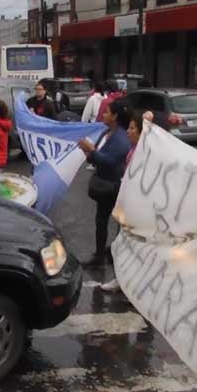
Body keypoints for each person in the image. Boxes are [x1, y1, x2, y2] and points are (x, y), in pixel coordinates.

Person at [100, 109, 154, 292]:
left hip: (138, 209)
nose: (128, 131)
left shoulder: (145, 151)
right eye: (129, 127)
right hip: (127, 205)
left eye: (132, 128)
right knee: (122, 244)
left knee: (136, 247)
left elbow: (149, 118)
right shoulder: (132, 149)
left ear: (141, 132)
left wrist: (147, 118)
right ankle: (121, 279)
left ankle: (136, 286)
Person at [77, 99, 132, 269]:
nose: (104, 114)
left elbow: (111, 161)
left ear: (115, 116)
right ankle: (99, 255)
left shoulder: (121, 138)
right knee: (101, 221)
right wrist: (88, 151)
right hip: (103, 185)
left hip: (114, 186)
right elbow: (97, 158)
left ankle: (115, 256)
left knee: (119, 223)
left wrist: (91, 150)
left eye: (107, 112)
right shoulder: (106, 132)